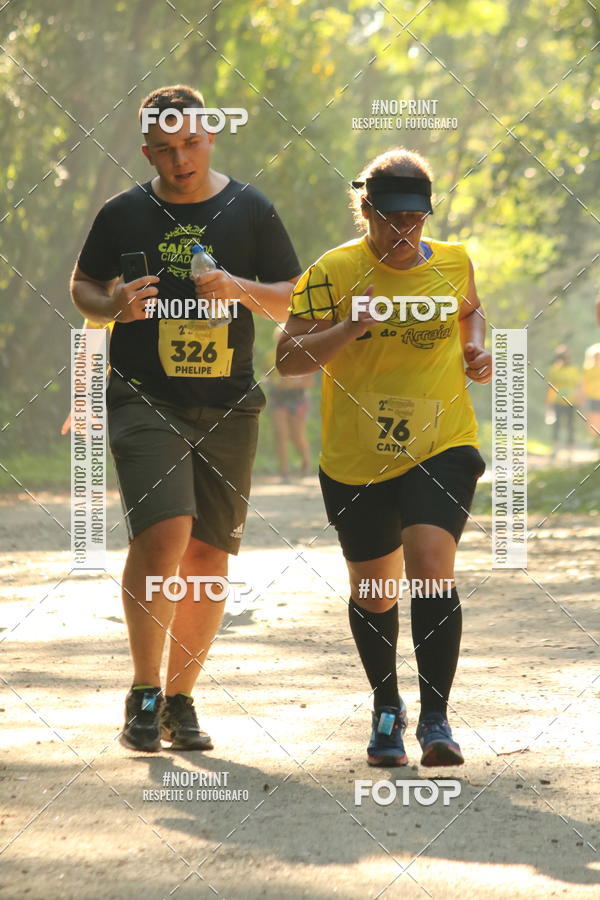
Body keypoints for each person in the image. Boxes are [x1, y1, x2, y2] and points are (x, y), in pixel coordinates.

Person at [70, 84, 301, 752]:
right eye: (165, 150)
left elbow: (292, 298)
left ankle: (181, 699)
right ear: (147, 151)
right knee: (165, 532)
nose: (181, 160)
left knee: (207, 554)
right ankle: (144, 690)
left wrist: (239, 288)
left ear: (211, 135)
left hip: (229, 404)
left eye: (191, 144)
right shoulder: (122, 214)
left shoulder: (249, 209)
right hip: (146, 395)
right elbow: (82, 286)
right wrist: (111, 303)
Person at [277, 148, 490, 768]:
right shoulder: (333, 271)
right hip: (357, 457)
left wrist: (475, 352)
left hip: (442, 441)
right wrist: (347, 328)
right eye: (391, 219)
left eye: (415, 220)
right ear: (364, 209)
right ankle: (386, 708)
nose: (404, 232)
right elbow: (287, 360)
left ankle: (437, 719)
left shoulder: (453, 262)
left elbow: (470, 314)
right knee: (373, 591)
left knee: (430, 563)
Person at [266, 326, 313, 481]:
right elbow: (265, 377)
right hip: (278, 399)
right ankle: (284, 471)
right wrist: (273, 383)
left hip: (297, 399)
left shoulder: (302, 354)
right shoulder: (270, 357)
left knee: (296, 435)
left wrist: (291, 383)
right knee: (281, 434)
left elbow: (309, 381)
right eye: (280, 337)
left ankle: (306, 462)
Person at [545, 346, 580, 458]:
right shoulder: (554, 370)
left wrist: (579, 399)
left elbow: (577, 386)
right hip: (557, 401)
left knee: (570, 425)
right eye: (562, 357)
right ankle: (555, 448)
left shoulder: (573, 369)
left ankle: (570, 450)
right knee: (557, 425)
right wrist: (549, 403)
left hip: (571, 401)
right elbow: (550, 387)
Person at [580, 343, 600, 446]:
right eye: (596, 356)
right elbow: (583, 384)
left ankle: (597, 440)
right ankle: (593, 439)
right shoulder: (587, 369)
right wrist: (582, 398)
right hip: (591, 398)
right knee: (591, 420)